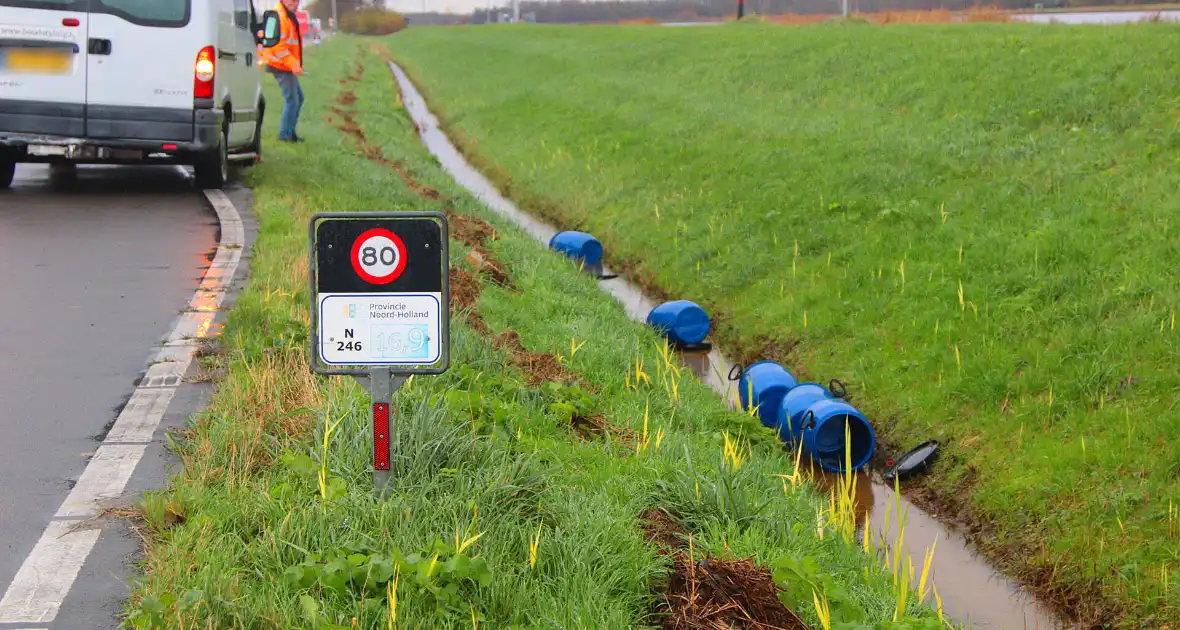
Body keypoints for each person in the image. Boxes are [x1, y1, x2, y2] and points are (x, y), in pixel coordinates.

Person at [259, 0, 305, 143]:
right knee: (292, 100)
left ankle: (290, 133)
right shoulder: (279, 16)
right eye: (292, 0)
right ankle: (285, 136)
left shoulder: (288, 15)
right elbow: (279, 47)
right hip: (279, 65)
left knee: (299, 98)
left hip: (285, 65)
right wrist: (293, 64)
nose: (295, 3)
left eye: (297, 1)